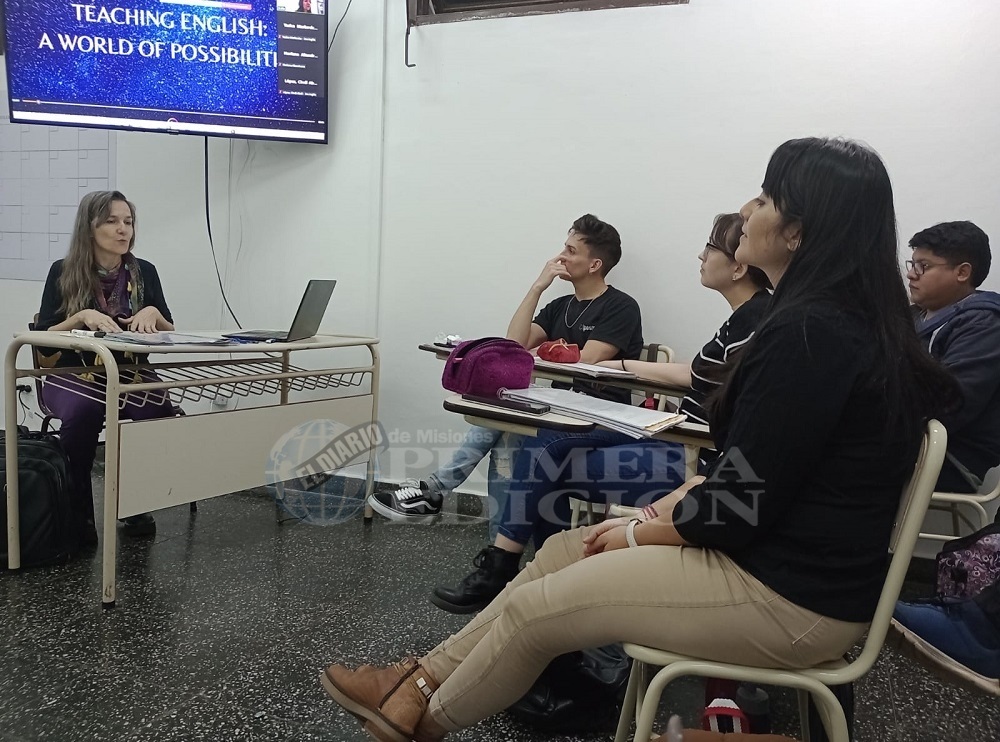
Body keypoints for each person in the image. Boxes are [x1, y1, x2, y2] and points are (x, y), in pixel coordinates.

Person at [319, 137, 959, 742]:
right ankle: (416, 680)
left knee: (537, 611)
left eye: (765, 197)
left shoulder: (810, 335)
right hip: (783, 568)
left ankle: (414, 723)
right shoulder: (832, 323)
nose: (747, 210)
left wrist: (637, 533)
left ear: (798, 230)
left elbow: (740, 504)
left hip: (790, 598)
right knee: (559, 551)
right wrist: (656, 516)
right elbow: (754, 475)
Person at [429, 211, 772, 614]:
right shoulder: (742, 319)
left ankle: (511, 572)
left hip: (684, 450)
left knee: (542, 455)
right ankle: (534, 585)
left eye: (710, 248)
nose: (701, 255)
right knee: (536, 449)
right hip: (667, 436)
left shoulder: (753, 319)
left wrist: (612, 365)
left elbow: (584, 360)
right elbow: (696, 372)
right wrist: (620, 360)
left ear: (738, 267)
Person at [368, 214, 644, 530]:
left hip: (600, 415)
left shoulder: (621, 306)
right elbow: (515, 344)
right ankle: (450, 504)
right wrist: (537, 287)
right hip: (558, 406)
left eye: (570, 251)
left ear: (594, 264)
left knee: (506, 429)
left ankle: (440, 495)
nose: (560, 257)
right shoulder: (561, 305)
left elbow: (587, 359)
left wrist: (543, 351)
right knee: (503, 426)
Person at [35, 190, 177, 544]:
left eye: (128, 222)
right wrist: (80, 316)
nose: (122, 229)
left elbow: (170, 327)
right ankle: (79, 511)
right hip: (73, 373)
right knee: (84, 411)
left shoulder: (145, 272)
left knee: (158, 409)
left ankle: (134, 503)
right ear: (90, 227)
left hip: (130, 371)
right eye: (112, 221)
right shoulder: (63, 271)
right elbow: (42, 337)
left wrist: (153, 313)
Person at [906, 221, 1000, 494]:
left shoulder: (985, 324)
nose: (911, 274)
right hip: (912, 441)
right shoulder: (912, 316)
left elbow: (950, 400)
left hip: (949, 458)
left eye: (923, 266)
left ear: (962, 272)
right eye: (912, 264)